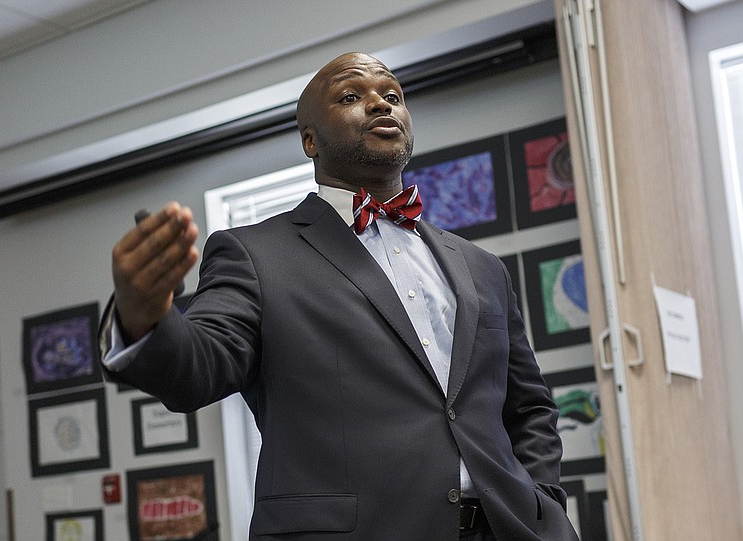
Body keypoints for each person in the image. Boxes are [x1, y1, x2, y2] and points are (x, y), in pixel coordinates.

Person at [101, 52, 580, 541]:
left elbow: (528, 408)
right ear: (310, 140)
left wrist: (543, 501)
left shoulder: (482, 268)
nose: (379, 104)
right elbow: (198, 367)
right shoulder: (255, 255)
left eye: (392, 95)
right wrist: (145, 318)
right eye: (352, 97)